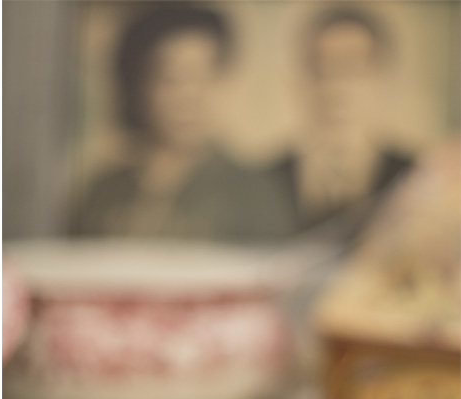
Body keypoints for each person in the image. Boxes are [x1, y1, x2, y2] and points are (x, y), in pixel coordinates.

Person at [71, 3, 293, 243]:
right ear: (139, 85)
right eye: (172, 78)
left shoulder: (254, 194)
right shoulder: (105, 192)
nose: (189, 97)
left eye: (203, 76)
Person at [268, 6, 413, 239]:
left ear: (381, 80)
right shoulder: (264, 184)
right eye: (321, 72)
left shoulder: (414, 181)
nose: (336, 89)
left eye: (353, 70)